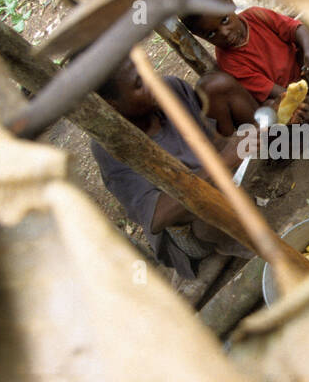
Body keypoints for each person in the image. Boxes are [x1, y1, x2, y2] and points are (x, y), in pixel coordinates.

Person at [90, 58, 249, 279]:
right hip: (189, 230)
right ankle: (245, 248)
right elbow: (158, 217)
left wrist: (238, 143)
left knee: (219, 86)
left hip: (214, 181)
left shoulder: (171, 89)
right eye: (139, 84)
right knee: (210, 200)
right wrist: (222, 164)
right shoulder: (111, 147)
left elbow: (214, 142)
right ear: (112, 106)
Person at [180, 5, 309, 134]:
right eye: (211, 34)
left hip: (300, 71)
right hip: (281, 97)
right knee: (306, 116)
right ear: (200, 36)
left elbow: (297, 29)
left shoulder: (256, 16)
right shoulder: (229, 61)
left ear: (229, 4)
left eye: (225, 20)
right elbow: (274, 92)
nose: (225, 33)